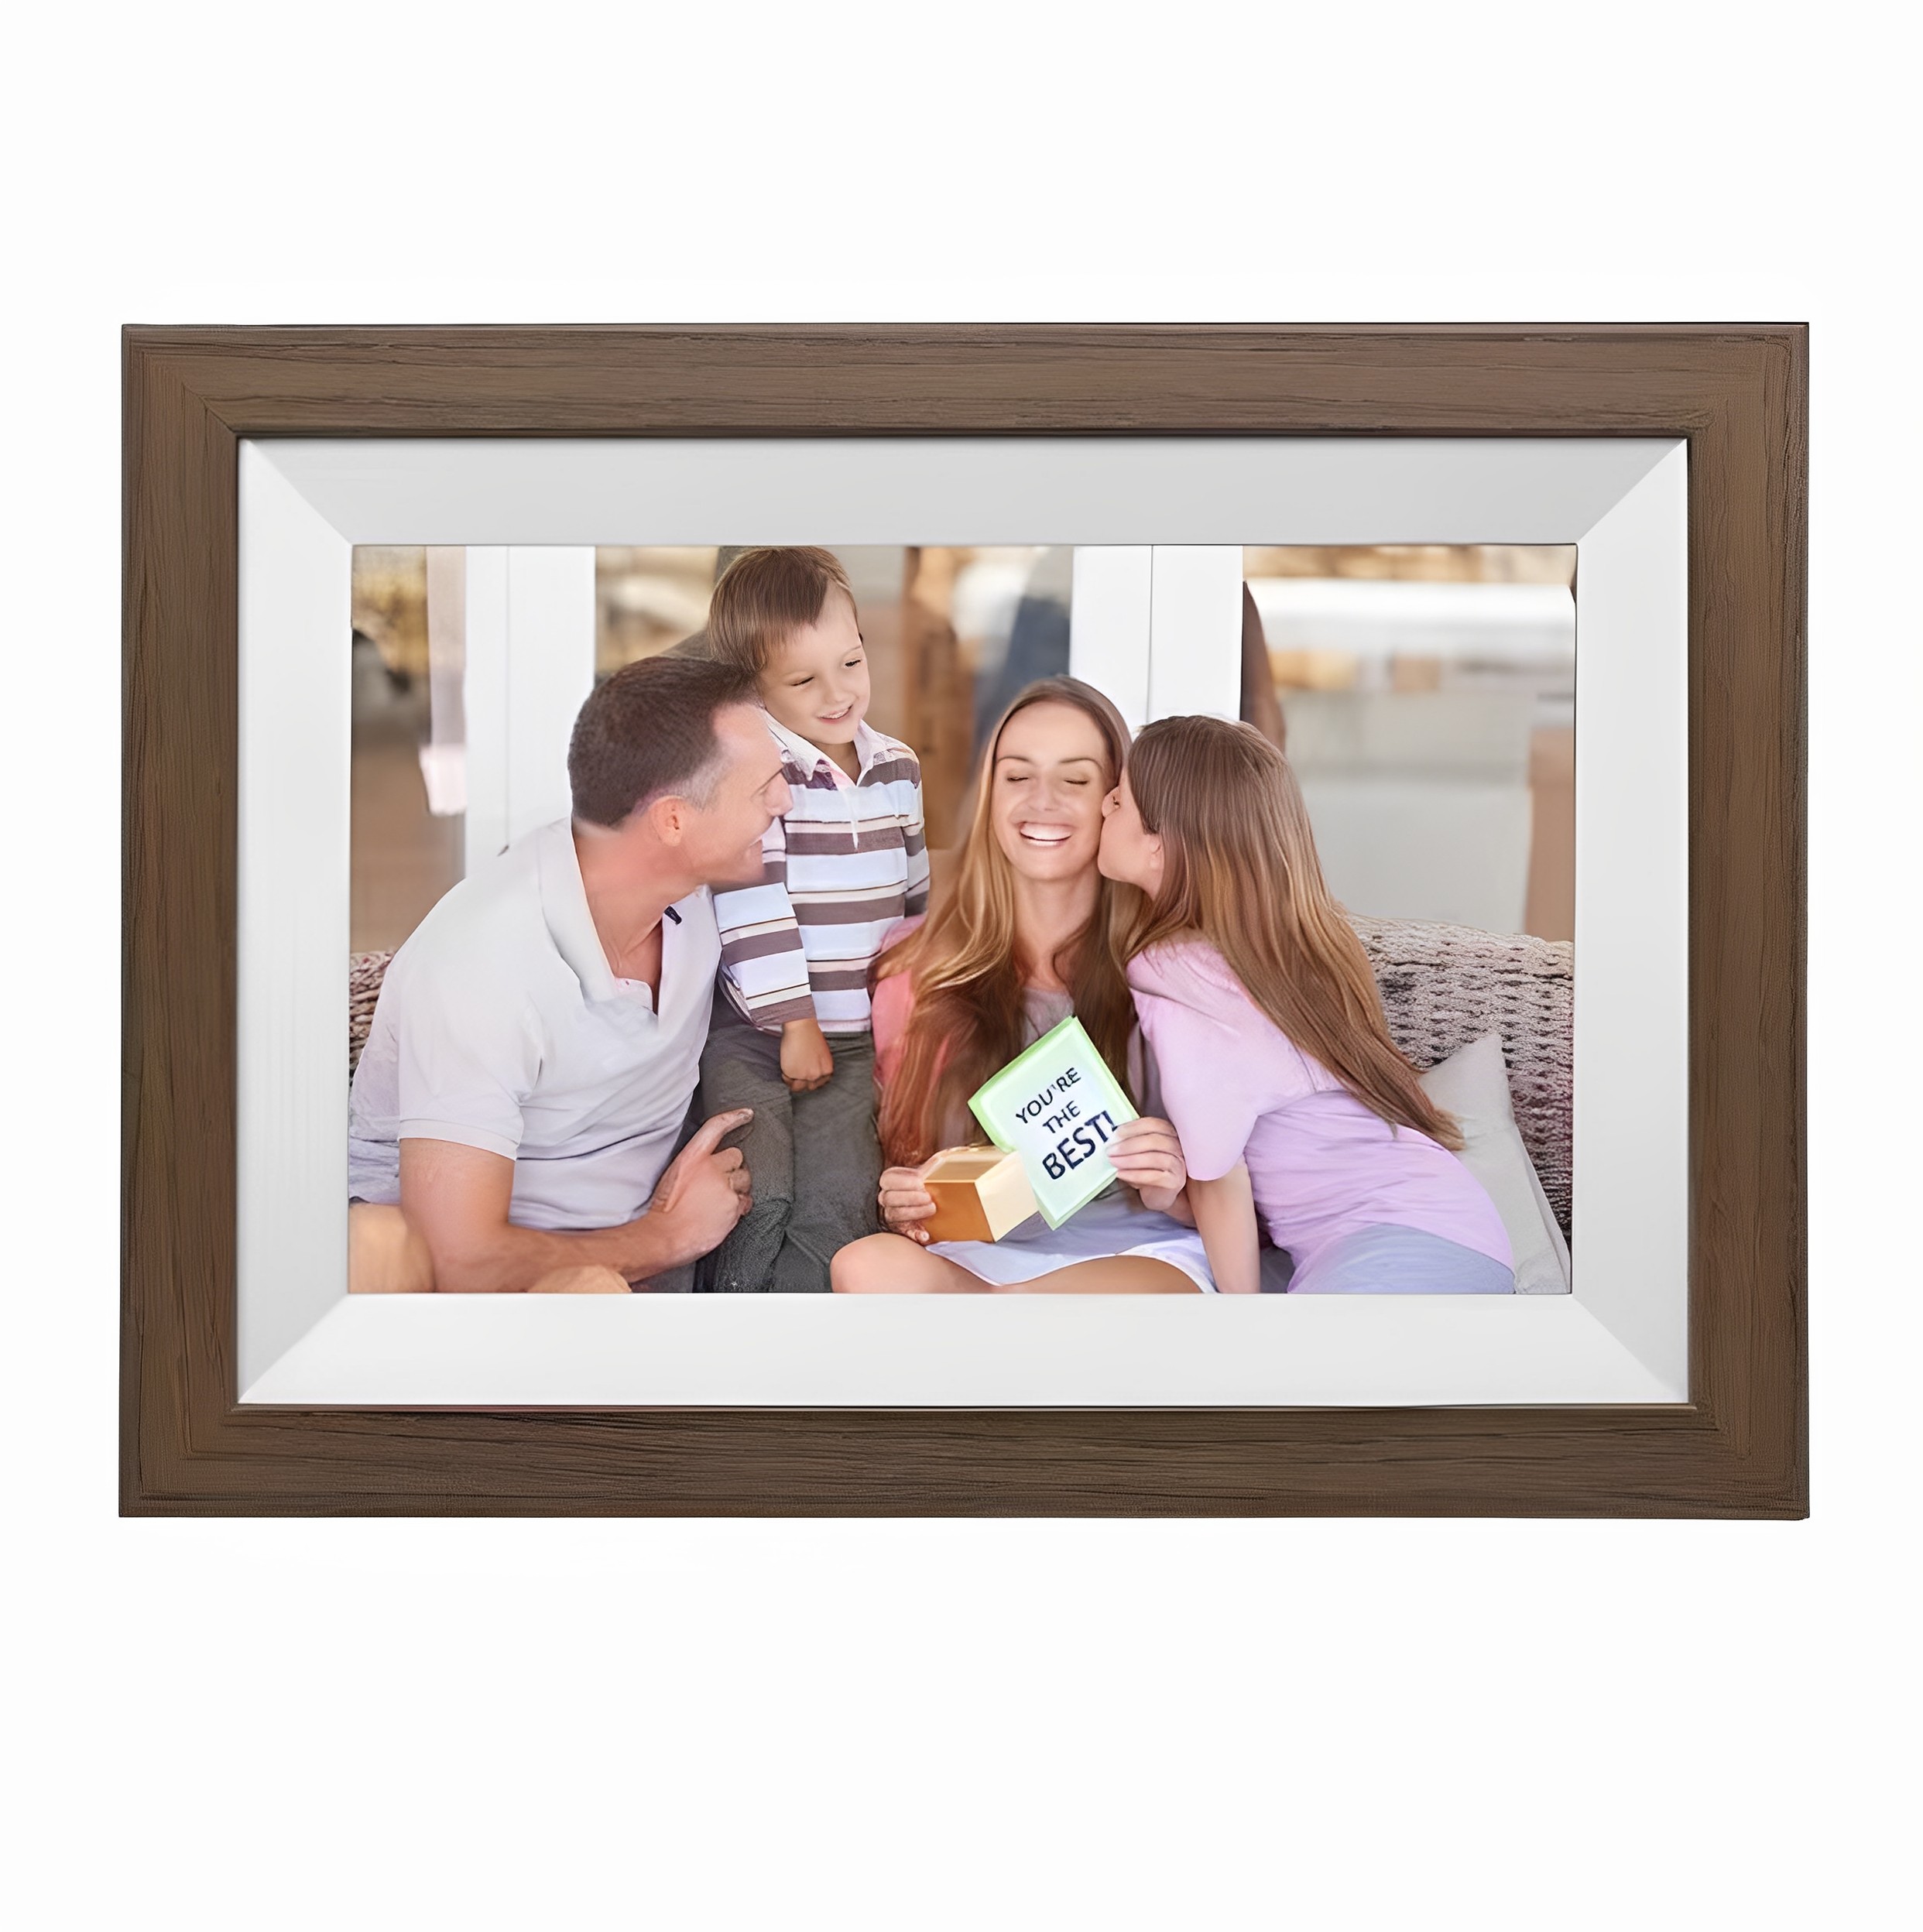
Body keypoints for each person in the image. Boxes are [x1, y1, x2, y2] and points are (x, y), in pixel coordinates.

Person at [344, 655, 792, 1293]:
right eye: (763, 788)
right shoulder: (483, 964)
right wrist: (668, 1236)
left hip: (617, 1265)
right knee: (582, 1290)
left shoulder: (703, 891)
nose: (785, 801)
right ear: (672, 820)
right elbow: (456, 1260)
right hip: (455, 1285)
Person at [1099, 714, 1514, 1295]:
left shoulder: (1175, 973)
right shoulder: (1285, 952)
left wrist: (1247, 1324)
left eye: (1119, 799)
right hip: (1463, 1236)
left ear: (1160, 846)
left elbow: (1219, 1178)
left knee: (1281, 1360)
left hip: (1393, 1246)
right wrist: (1167, 1194)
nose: (1103, 805)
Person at [831, 677, 1208, 1293]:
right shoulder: (917, 969)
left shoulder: (1178, 972)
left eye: (1075, 780)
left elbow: (1253, 1209)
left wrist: (1174, 1189)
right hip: (983, 1263)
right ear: (990, 795)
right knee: (865, 1265)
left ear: (1118, 802)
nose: (1042, 800)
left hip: (1137, 1257)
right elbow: (915, 1176)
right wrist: (908, 1201)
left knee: (1141, 1294)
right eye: (1017, 776)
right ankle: (1011, 1334)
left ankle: (998, 1336)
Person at [696, 548, 929, 1291]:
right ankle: (735, 1315)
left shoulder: (898, 768)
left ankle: (804, 1327)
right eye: (804, 681)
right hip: (756, 1033)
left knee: (839, 1198)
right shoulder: (760, 778)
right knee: (758, 1188)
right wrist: (795, 1022)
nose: (838, 693)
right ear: (753, 690)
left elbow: (914, 897)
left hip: (856, 1040)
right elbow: (751, 903)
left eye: (851, 663)